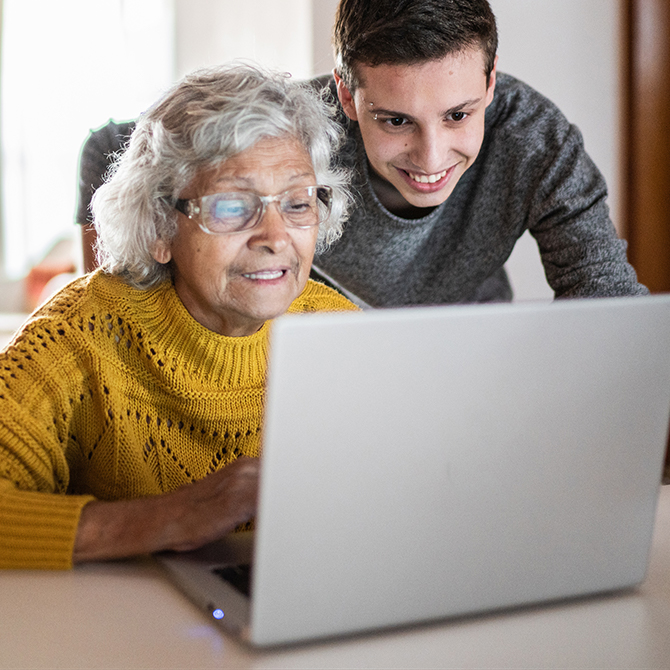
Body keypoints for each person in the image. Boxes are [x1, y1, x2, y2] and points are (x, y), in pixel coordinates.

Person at [0, 63, 357, 570]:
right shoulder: (76, 338)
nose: (276, 236)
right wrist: (164, 520)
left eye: (297, 203)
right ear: (160, 229)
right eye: (233, 206)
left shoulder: (344, 335)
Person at [75, 0, 647, 304]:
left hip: (466, 354)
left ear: (491, 83)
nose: (431, 156)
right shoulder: (296, 125)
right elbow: (110, 147)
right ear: (347, 95)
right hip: (319, 358)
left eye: (458, 115)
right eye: (396, 120)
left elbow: (608, 304)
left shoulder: (537, 143)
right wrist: (124, 310)